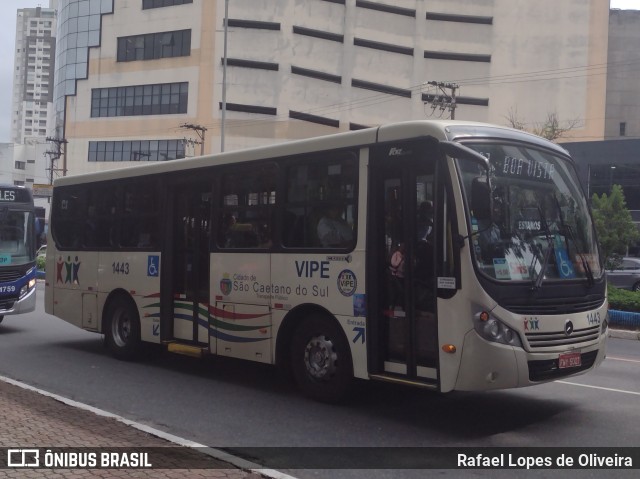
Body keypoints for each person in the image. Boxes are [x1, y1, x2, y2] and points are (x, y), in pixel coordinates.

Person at [388, 242, 405, 310]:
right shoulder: (396, 254)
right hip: (395, 276)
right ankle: (393, 307)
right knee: (399, 292)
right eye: (403, 246)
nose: (403, 248)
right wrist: (401, 259)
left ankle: (400, 307)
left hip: (402, 276)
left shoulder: (403, 255)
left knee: (399, 292)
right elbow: (394, 264)